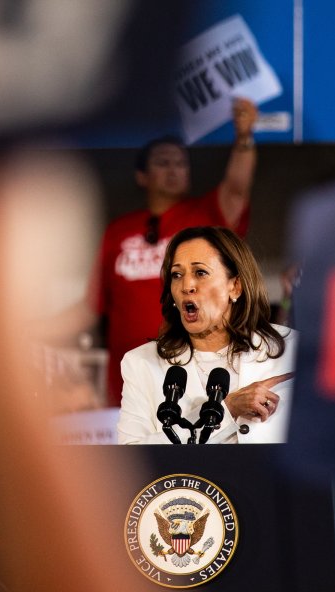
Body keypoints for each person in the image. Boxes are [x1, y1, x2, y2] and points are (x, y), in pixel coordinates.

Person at [63, 98, 260, 407]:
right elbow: (91, 308)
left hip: (195, 378)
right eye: (163, 162)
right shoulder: (117, 231)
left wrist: (245, 139)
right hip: (128, 383)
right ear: (142, 175)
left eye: (181, 163)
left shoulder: (207, 215)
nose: (173, 169)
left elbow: (237, 188)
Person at [116, 226, 295, 444]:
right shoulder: (142, 363)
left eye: (200, 273)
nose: (186, 285)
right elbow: (132, 460)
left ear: (235, 286)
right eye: (177, 275)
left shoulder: (293, 350)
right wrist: (225, 410)